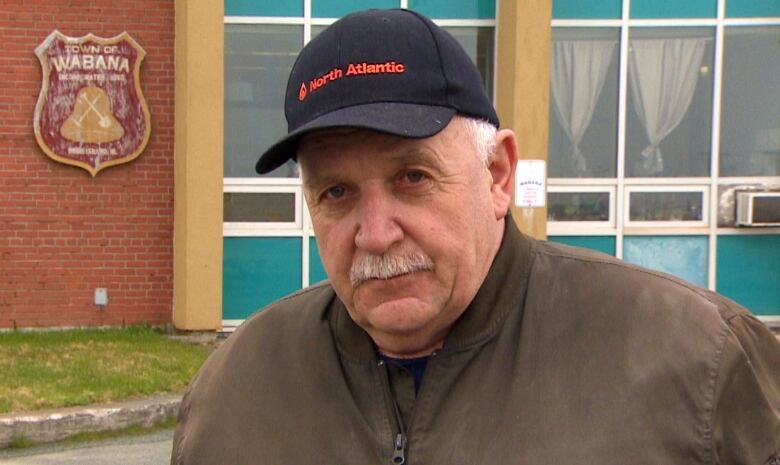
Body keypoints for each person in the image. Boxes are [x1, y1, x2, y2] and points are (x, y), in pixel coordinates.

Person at [172, 9, 780, 465]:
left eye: (412, 177)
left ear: (497, 175)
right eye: (337, 193)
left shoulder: (699, 362)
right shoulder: (233, 391)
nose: (376, 235)